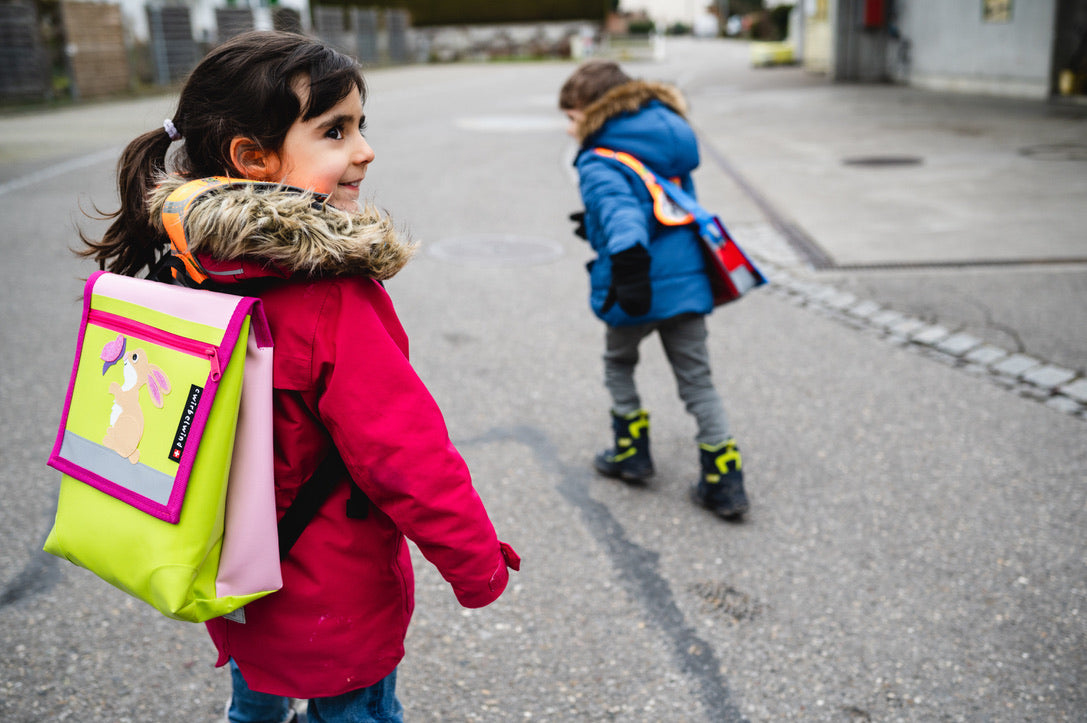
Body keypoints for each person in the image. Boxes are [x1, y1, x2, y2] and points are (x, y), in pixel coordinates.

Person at [80, 30, 520, 723]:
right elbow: (405, 454)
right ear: (252, 159)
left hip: (230, 569)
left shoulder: (184, 261)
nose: (364, 150)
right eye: (335, 131)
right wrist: (476, 564)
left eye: (360, 126)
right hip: (331, 590)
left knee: (255, 700)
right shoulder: (330, 297)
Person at [559, 59, 749, 520]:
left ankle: (631, 454)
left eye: (571, 117)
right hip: (686, 285)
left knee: (619, 362)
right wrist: (597, 225)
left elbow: (625, 219)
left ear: (594, 110)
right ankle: (724, 481)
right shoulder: (670, 144)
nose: (567, 129)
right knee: (697, 380)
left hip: (636, 286)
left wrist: (625, 263)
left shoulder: (599, 159)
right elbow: (663, 205)